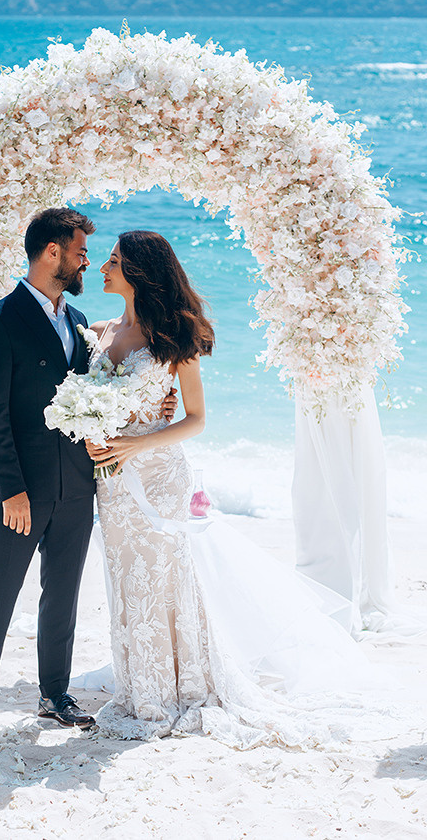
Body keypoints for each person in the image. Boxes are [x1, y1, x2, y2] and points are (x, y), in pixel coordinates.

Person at [84, 231, 395, 747]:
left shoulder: (174, 340)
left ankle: (175, 689)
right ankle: (140, 685)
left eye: (114, 261)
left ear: (139, 272)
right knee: (125, 579)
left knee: (164, 580)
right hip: (113, 484)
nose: (104, 267)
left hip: (157, 476)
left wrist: (139, 445)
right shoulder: (100, 332)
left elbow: (196, 419)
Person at [0, 209, 177, 739]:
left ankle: (54, 694)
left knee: (63, 595)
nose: (85, 262)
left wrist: (155, 405)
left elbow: (106, 394)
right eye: (80, 251)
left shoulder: (80, 324)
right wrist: (10, 490)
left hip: (79, 485)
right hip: (19, 492)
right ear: (51, 253)